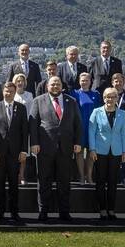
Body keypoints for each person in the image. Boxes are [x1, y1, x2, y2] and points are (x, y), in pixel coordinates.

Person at [29, 76, 83, 222]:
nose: (55, 86)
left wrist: (78, 142)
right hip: (44, 148)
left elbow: (78, 123)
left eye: (58, 84)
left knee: (64, 182)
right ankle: (43, 211)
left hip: (65, 148)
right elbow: (33, 124)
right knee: (44, 181)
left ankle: (64, 212)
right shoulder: (38, 101)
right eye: (52, 84)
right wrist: (34, 143)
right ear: (47, 86)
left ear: (61, 86)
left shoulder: (71, 101)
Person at [0, 81, 28, 221]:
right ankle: (0, 210)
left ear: (15, 91)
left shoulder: (21, 108)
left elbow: (25, 131)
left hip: (15, 153)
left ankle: (14, 211)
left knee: (13, 183)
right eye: (6, 91)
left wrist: (24, 151)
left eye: (11, 91)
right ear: (3, 92)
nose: (8, 93)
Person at [89, 87, 125, 220]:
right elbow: (91, 132)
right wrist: (92, 149)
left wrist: (124, 151)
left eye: (113, 97)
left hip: (116, 151)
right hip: (100, 151)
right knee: (100, 181)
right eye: (108, 97)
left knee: (113, 182)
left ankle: (111, 209)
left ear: (117, 98)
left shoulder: (122, 113)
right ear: (104, 98)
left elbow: (124, 133)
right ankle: (102, 209)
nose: (110, 99)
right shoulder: (96, 112)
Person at [71, 72, 100, 184]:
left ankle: (89, 176)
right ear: (79, 81)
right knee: (79, 151)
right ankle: (81, 176)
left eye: (86, 80)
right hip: (79, 127)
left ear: (90, 81)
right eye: (82, 80)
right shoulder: (74, 93)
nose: (84, 82)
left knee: (91, 152)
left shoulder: (96, 94)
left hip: (93, 127)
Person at [11, 73, 35, 185]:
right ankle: (13, 175)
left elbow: (31, 111)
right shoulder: (11, 94)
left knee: (23, 152)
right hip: (13, 128)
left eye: (22, 81)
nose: (20, 83)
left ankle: (21, 175)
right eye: (17, 81)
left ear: (25, 83)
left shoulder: (29, 95)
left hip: (25, 127)